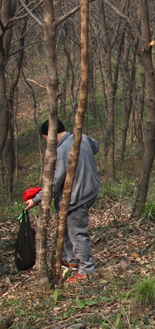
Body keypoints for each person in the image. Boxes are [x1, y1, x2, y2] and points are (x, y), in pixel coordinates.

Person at [25, 120, 100, 283]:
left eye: (46, 138)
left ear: (50, 135)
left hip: (77, 196)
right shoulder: (83, 138)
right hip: (91, 189)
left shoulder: (62, 151)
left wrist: (36, 200)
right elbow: (96, 146)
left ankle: (87, 269)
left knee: (77, 231)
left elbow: (54, 182)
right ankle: (70, 260)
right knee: (65, 226)